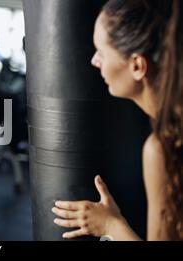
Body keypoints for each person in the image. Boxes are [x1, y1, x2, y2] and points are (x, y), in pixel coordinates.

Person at [52, 0, 183, 240]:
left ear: (137, 66)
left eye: (101, 52)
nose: (94, 61)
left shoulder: (163, 148)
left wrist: (111, 225)